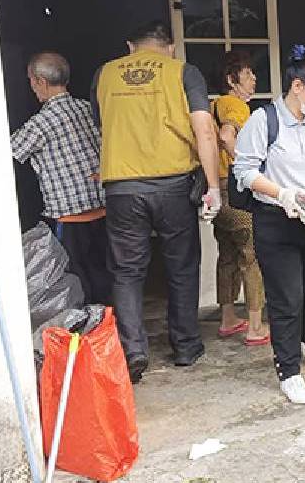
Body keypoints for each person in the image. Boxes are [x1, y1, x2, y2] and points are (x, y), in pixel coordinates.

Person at [92, 21, 222, 383]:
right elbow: (204, 129)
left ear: (130, 46)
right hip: (173, 185)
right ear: (171, 47)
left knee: (126, 271)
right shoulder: (183, 71)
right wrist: (214, 185)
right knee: (181, 266)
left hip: (122, 185)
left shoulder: (104, 74)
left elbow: (101, 124)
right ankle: (185, 346)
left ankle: (133, 350)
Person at [232, 45, 305, 405]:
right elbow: (245, 170)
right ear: (298, 87)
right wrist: (281, 194)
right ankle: (289, 370)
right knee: (287, 299)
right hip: (276, 220)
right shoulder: (263, 120)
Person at [11, 52, 112, 305]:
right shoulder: (90, 109)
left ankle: (88, 333)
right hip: (106, 210)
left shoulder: (40, 124)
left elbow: (8, 154)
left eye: (31, 82)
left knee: (78, 280)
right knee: (108, 274)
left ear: (40, 81)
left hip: (70, 218)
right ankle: (111, 329)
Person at [211, 51, 270, 346]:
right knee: (252, 256)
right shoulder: (234, 106)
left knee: (228, 256)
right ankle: (256, 326)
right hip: (235, 190)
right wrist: (247, 167)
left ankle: (228, 318)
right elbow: (226, 136)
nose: (254, 78)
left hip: (217, 191)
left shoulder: (212, 105)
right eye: (247, 74)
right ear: (231, 80)